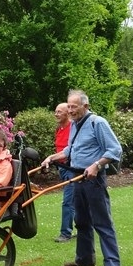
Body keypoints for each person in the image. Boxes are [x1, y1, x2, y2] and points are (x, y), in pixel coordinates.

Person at [41, 90, 123, 266]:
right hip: (77, 177)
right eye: (68, 106)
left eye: (74, 107)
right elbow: (71, 149)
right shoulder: (75, 125)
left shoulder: (98, 123)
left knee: (102, 221)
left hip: (94, 180)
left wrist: (97, 165)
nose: (70, 110)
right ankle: (85, 258)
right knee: (82, 221)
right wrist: (52, 157)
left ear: (85, 106)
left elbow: (114, 149)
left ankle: (112, 265)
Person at [53, 103, 76, 243]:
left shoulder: (73, 128)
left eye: (59, 112)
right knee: (75, 200)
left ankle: (65, 233)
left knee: (68, 201)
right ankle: (85, 226)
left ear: (67, 113)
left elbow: (71, 149)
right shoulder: (59, 129)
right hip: (61, 168)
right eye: (55, 111)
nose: (56, 114)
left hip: (71, 169)